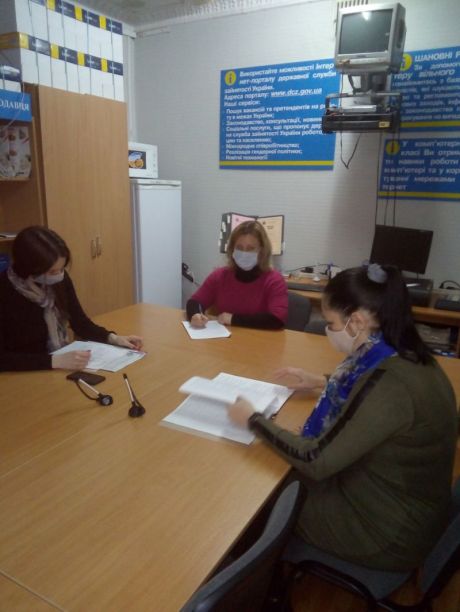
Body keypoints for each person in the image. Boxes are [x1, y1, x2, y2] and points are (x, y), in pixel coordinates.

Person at [228, 263, 458, 571]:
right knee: (274, 472)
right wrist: (321, 381)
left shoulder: (391, 385)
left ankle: (249, 578)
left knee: (257, 497)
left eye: (331, 322)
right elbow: (368, 392)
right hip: (398, 501)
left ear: (357, 322)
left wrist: (254, 420)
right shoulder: (403, 353)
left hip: (387, 533)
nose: (328, 329)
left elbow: (315, 459)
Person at [0, 226, 143, 372]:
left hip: (58, 366)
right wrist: (54, 361)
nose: (59, 275)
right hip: (22, 373)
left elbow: (80, 322)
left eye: (62, 268)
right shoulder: (5, 290)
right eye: (52, 271)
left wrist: (113, 338)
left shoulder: (58, 280)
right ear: (29, 268)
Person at [186, 220, 288, 330]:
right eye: (239, 248)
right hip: (225, 338)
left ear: (262, 251)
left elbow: (276, 319)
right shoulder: (220, 276)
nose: (244, 253)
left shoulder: (274, 280)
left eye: (250, 248)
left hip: (260, 339)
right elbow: (195, 301)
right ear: (232, 249)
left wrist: (233, 319)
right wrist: (195, 314)